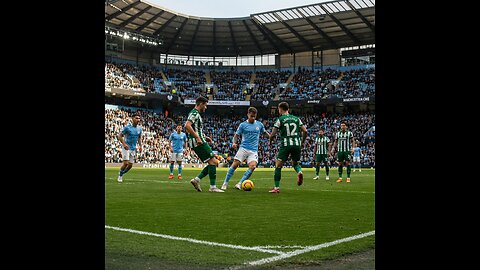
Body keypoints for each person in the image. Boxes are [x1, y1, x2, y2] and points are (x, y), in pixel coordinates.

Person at [220, 107, 270, 190]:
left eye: (254, 116)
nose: (253, 118)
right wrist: (234, 142)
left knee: (253, 166)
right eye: (251, 116)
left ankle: (239, 184)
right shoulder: (243, 125)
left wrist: (270, 137)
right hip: (243, 148)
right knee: (235, 164)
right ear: (248, 114)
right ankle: (225, 183)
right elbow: (236, 135)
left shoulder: (259, 125)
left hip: (253, 150)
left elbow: (264, 133)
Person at [185, 96, 224, 192]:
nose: (206, 107)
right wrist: (198, 137)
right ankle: (212, 187)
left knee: (212, 162)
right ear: (201, 104)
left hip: (200, 141)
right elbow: (187, 125)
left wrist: (204, 136)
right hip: (198, 142)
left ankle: (196, 180)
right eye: (205, 105)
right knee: (214, 162)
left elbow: (195, 128)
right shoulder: (194, 113)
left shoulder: (196, 113)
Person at [268, 102, 308, 193]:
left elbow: (273, 134)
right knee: (295, 163)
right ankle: (299, 172)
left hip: (286, 144)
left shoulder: (280, 119)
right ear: (288, 109)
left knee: (278, 166)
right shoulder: (296, 119)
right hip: (297, 144)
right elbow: (305, 131)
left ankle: (276, 188)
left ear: (281, 109)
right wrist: (302, 142)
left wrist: (270, 141)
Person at [117, 113, 143, 183]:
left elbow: (139, 138)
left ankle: (121, 173)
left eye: (139, 118)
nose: (138, 120)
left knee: (130, 165)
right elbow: (119, 136)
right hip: (126, 148)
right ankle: (120, 175)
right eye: (136, 118)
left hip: (133, 148)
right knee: (125, 163)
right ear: (132, 118)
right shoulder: (127, 127)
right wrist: (124, 144)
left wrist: (140, 146)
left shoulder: (139, 128)